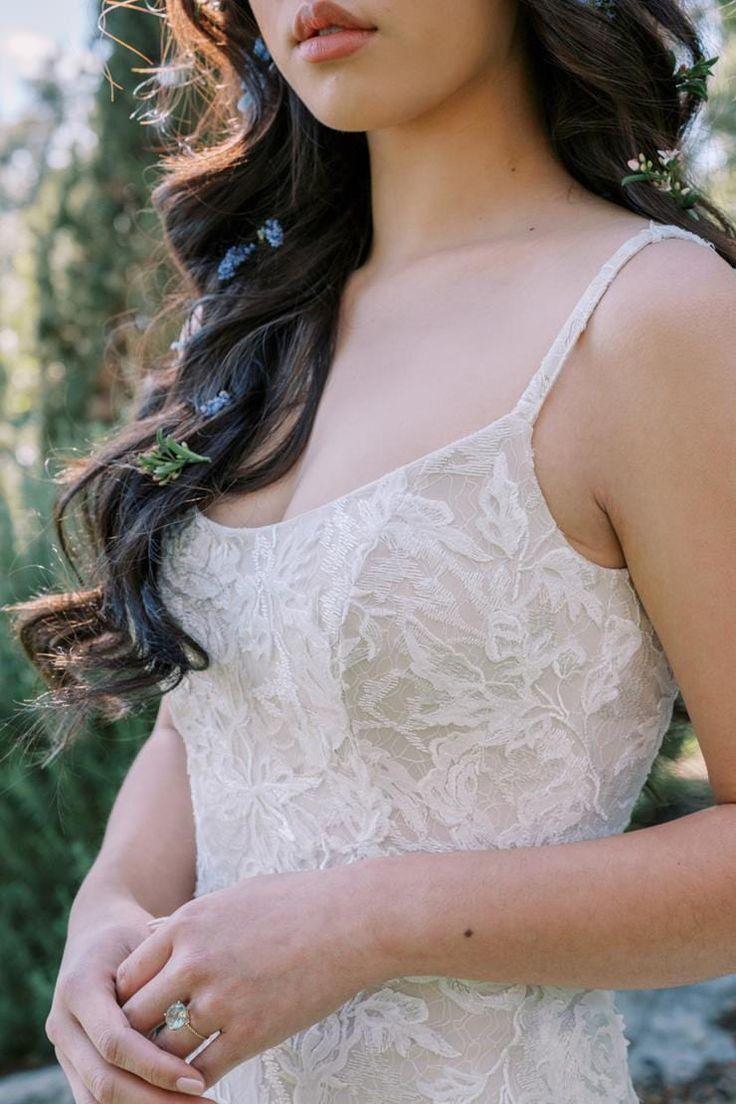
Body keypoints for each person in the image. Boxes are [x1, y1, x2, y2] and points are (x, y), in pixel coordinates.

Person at [8, 0, 736, 1100]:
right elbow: (220, 711)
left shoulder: (656, 319)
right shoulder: (255, 327)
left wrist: (362, 922)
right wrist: (109, 908)